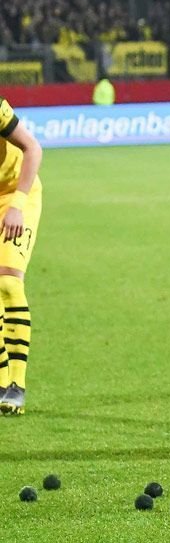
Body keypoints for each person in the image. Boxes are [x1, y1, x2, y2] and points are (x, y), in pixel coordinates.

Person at [0, 95, 43, 414]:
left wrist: (16, 206)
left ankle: (16, 385)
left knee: (9, 284)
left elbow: (33, 148)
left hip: (17, 194)